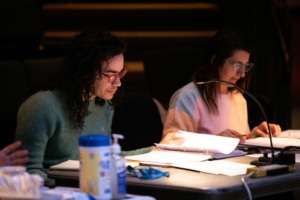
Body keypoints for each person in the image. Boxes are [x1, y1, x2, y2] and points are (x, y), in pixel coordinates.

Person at [15, 28, 151, 186]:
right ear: (86, 71)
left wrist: (156, 151)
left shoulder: (103, 104)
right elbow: (27, 172)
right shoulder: (42, 106)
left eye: (121, 73)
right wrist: (84, 183)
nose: (118, 83)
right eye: (110, 74)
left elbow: (105, 156)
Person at [160, 26, 281, 145]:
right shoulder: (187, 97)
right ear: (215, 61)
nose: (242, 73)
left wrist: (255, 136)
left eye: (246, 66)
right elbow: (171, 144)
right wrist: (215, 141)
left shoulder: (238, 98)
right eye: (237, 65)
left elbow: (238, 143)